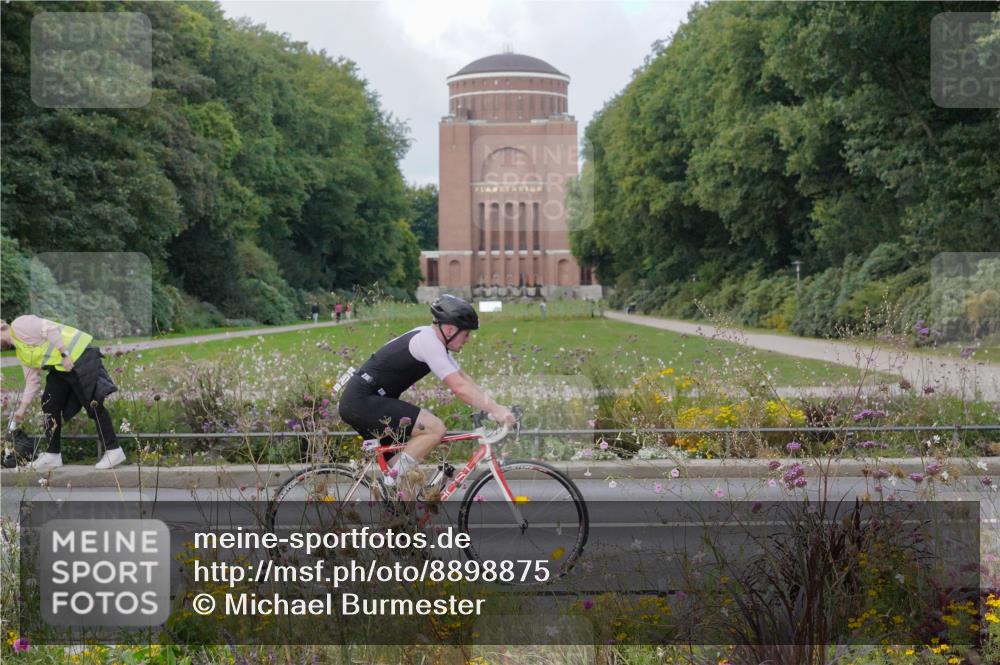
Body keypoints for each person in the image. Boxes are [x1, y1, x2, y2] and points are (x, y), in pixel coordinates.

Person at [338, 295, 515, 486]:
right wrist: (497, 410)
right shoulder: (428, 342)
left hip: (366, 401)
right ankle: (389, 481)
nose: (468, 339)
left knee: (408, 483)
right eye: (466, 334)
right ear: (450, 329)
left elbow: (464, 379)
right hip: (362, 401)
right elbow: (459, 388)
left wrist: (494, 407)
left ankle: (396, 503)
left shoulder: (433, 341)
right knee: (434, 428)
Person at [0, 316, 124, 470]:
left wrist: (64, 354)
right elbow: (31, 381)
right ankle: (53, 455)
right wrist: (22, 409)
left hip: (79, 355)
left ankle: (113, 450)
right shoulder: (21, 353)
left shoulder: (19, 325)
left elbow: (49, 329)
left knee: (93, 404)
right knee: (49, 403)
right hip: (62, 367)